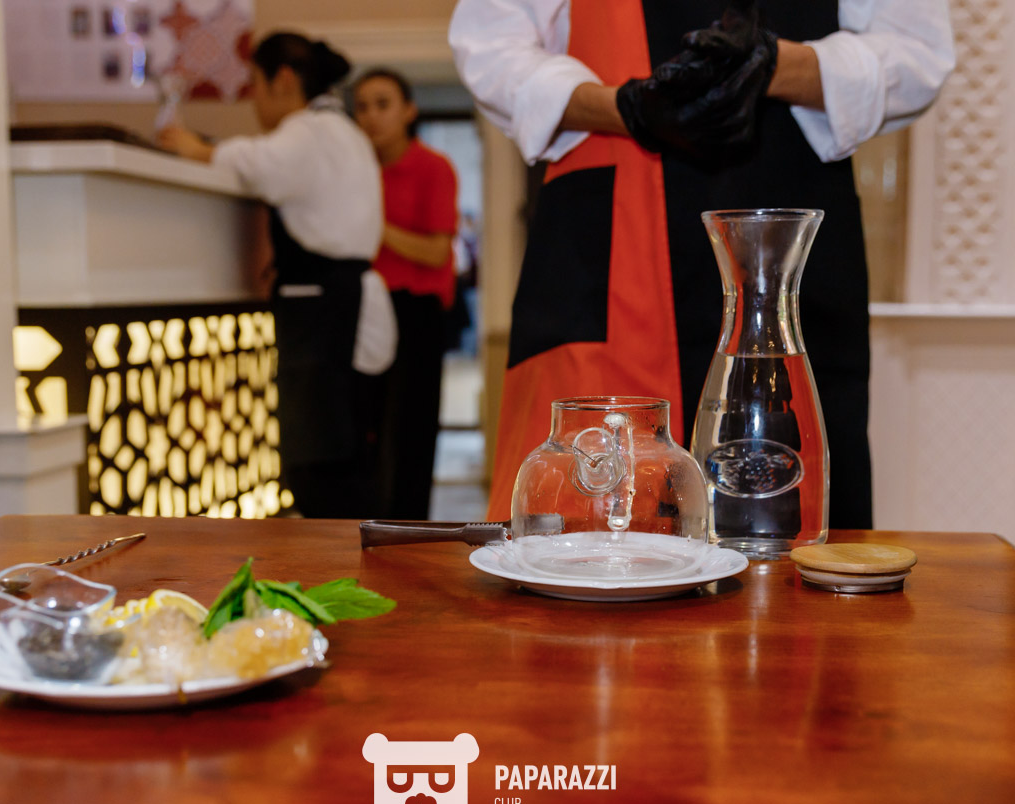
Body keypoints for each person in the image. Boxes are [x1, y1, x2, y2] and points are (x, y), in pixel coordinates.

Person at [449, 0, 954, 526]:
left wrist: (775, 66)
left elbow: (918, 52)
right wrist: (625, 107)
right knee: (592, 521)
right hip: (612, 229)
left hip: (788, 232)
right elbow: (491, 46)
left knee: (791, 530)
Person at [159, 32, 394, 518]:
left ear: (283, 80)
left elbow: (257, 165)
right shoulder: (344, 131)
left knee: (318, 459)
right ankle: (361, 553)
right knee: (341, 450)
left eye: (255, 86)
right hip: (340, 301)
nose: (255, 102)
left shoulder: (308, 131)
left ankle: (345, 558)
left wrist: (192, 147)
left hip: (321, 307)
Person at [352, 68, 459, 519]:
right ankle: (369, 525)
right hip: (365, 305)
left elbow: (436, 252)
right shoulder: (355, 171)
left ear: (408, 111)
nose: (371, 116)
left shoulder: (433, 167)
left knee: (412, 428)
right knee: (365, 426)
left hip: (416, 309)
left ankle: (409, 529)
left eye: (382, 104)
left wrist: (374, 226)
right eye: (362, 107)